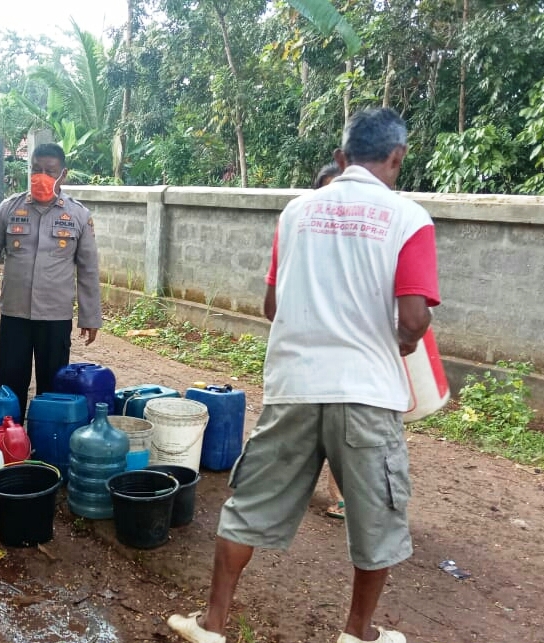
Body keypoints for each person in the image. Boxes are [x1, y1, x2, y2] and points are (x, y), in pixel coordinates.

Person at [168, 107, 440, 643]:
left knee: (248, 505)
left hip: (293, 386)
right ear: (397, 157)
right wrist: (407, 338)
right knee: (376, 517)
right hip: (366, 393)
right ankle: (358, 633)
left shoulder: (296, 213)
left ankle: (212, 623)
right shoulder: (409, 218)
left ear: (341, 157)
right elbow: (412, 320)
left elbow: (273, 305)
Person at [0, 142, 102, 418]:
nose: (42, 176)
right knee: (10, 384)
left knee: (52, 388)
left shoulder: (78, 215)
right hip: (15, 314)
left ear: (63, 175)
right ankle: (11, 444)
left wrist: (90, 316)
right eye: (36, 169)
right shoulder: (10, 208)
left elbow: (88, 269)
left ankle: (44, 446)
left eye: (50, 171)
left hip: (55, 317)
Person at [313, 160, 347, 520]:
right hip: (311, 346)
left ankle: (339, 493)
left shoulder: (361, 240)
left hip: (346, 349)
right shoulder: (306, 234)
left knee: (340, 421)